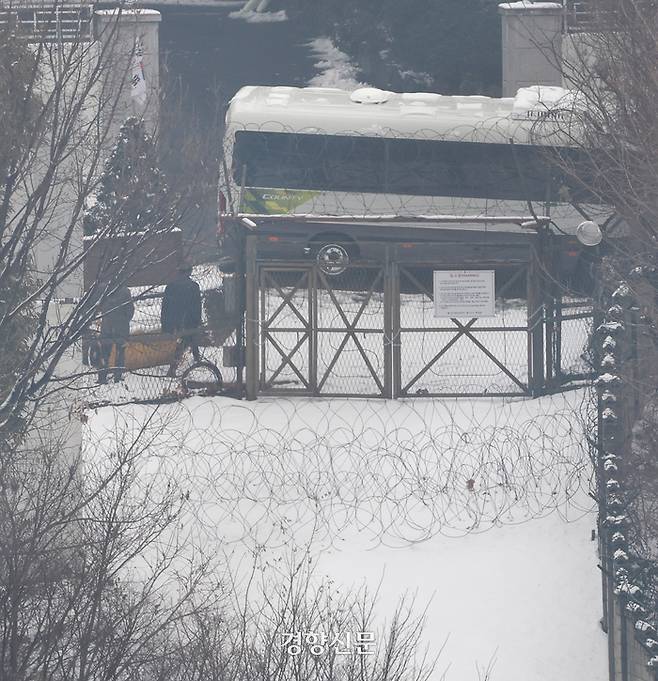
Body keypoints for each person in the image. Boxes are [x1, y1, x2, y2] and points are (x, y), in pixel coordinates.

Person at [161, 263, 202, 377]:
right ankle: (175, 367)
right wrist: (198, 320)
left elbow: (165, 306)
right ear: (189, 272)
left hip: (174, 319)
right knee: (187, 340)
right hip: (189, 319)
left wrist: (165, 322)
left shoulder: (171, 286)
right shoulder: (193, 286)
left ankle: (196, 361)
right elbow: (197, 305)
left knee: (186, 341)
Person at [98, 284, 134, 384]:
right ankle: (117, 375)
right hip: (121, 328)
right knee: (120, 352)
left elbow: (99, 307)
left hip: (107, 326)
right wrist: (124, 320)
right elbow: (130, 310)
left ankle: (102, 376)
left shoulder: (104, 290)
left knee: (104, 352)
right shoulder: (125, 291)